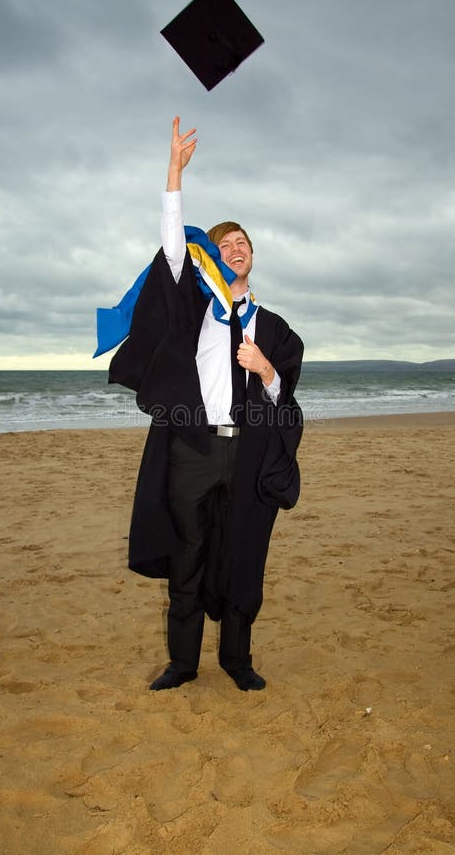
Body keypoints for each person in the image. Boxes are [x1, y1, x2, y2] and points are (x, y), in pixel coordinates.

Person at [108, 117, 304, 691]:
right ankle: (183, 661)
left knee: (242, 551)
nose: (236, 249)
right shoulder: (194, 312)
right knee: (188, 554)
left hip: (246, 455)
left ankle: (237, 660)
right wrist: (174, 173)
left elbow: (285, 397)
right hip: (192, 448)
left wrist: (265, 368)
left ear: (253, 257)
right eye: (225, 244)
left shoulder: (274, 327)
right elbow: (172, 253)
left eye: (244, 243)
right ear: (212, 259)